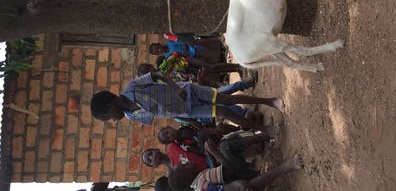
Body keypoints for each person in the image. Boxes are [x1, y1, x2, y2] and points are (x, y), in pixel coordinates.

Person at [89, 71, 284, 129]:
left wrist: (176, 88)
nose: (113, 120)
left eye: (109, 116)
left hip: (187, 91)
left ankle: (269, 101)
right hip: (186, 110)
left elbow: (157, 74)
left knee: (226, 99)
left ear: (110, 104)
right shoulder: (132, 116)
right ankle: (263, 129)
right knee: (224, 113)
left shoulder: (132, 86)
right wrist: (187, 120)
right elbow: (162, 114)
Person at [168, 143, 304, 191]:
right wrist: (214, 152)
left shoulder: (198, 186)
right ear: (188, 180)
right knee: (249, 185)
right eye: (184, 167)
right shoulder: (203, 179)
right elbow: (228, 171)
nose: (187, 163)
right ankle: (287, 166)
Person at [142, 146, 208, 172]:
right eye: (149, 160)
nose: (152, 157)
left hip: (208, 158)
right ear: (154, 166)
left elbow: (190, 146)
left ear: (156, 149)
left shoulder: (172, 147)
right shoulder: (172, 173)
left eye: (150, 153)